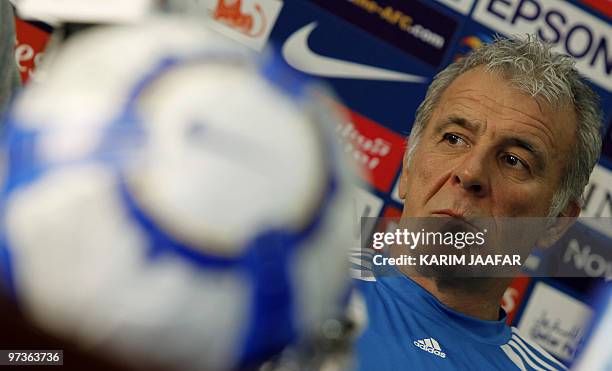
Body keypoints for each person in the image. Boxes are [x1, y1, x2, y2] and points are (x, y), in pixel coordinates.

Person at [354, 35, 602, 370]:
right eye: (454, 138)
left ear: (555, 221)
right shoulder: (296, 276)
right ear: (408, 169)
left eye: (513, 160)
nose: (470, 172)